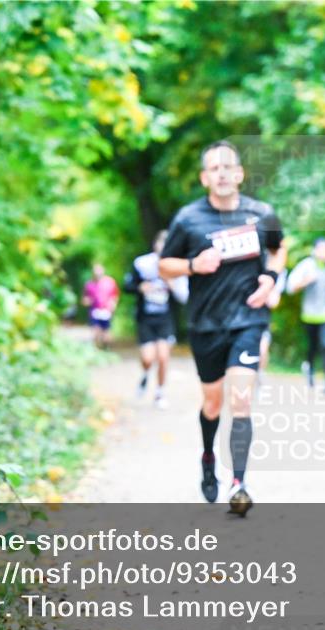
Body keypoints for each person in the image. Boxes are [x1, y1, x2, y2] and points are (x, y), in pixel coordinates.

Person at [158, 140, 286, 516]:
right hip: (206, 324)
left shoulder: (261, 214)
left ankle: (239, 482)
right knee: (213, 403)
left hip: (248, 319)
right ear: (204, 178)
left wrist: (271, 278)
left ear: (240, 174)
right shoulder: (188, 219)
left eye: (229, 167)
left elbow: (280, 247)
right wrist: (194, 265)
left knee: (241, 399)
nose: (223, 173)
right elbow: (165, 265)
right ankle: (209, 456)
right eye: (215, 168)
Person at [123, 230, 183, 409]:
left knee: (163, 357)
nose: (163, 247)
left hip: (165, 318)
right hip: (145, 318)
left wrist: (172, 285)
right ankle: (145, 374)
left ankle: (159, 393)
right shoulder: (142, 263)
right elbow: (127, 285)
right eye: (160, 243)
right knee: (149, 358)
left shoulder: (176, 266)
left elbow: (184, 296)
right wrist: (141, 287)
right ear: (155, 244)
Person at [286, 238, 325, 395]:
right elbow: (290, 288)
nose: (324, 252)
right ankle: (309, 369)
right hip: (310, 316)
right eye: (321, 249)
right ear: (314, 250)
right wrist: (305, 281)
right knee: (312, 347)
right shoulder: (306, 265)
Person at [258, 269, 287, 385]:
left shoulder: (278, 270)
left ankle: (260, 373)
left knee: (262, 350)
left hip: (262, 319)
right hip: (236, 317)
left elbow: (274, 301)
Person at [83, 263, 119, 349]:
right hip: (95, 311)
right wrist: (87, 301)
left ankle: (106, 347)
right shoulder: (89, 284)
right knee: (96, 332)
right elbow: (85, 299)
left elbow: (115, 295)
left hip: (106, 311)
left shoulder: (110, 282)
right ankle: (98, 349)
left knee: (106, 333)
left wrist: (113, 304)